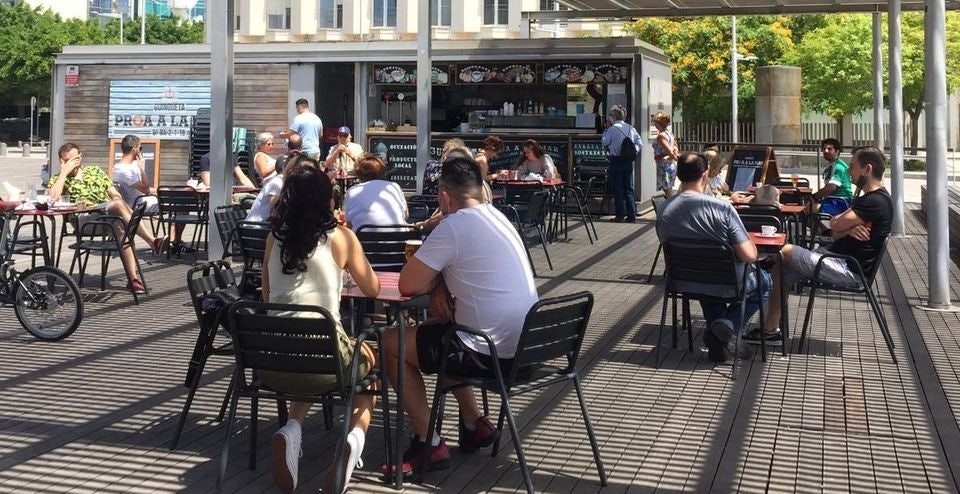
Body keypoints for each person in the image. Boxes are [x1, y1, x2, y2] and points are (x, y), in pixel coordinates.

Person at [381, 156, 538, 477]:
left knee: (388, 343)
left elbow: (407, 284)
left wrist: (434, 282)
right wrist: (440, 284)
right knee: (444, 331)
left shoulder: (455, 225)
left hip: (491, 354)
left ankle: (429, 442)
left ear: (442, 195)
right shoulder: (498, 216)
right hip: (529, 347)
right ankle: (473, 422)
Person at [262, 163, 380, 494]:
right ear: (326, 199)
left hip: (271, 360)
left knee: (310, 355)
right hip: (324, 354)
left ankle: (293, 428)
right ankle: (353, 439)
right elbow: (371, 289)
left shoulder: (274, 238)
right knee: (372, 364)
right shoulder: (341, 238)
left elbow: (268, 294)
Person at [749, 146, 892, 346]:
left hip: (847, 269)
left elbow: (835, 224)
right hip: (835, 259)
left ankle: (753, 267)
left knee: (783, 250)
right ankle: (770, 330)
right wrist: (847, 228)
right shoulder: (876, 199)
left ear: (867, 169)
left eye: (853, 166)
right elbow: (835, 231)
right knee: (782, 269)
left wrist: (841, 225)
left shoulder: (873, 202)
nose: (849, 171)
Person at [656, 152, 771, 362]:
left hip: (682, 281)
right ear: (705, 175)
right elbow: (748, 255)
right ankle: (726, 329)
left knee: (706, 282)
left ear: (679, 175)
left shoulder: (664, 209)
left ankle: (719, 327)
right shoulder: (721, 208)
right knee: (765, 282)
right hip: (727, 282)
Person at [48, 142, 167, 294]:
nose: (73, 163)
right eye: (68, 160)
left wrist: (116, 200)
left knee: (120, 226)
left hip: (106, 214)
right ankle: (152, 241)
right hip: (84, 219)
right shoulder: (58, 179)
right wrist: (64, 172)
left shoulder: (94, 171)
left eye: (75, 159)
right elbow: (51, 199)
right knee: (118, 207)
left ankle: (133, 280)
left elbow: (114, 193)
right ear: (62, 161)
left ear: (81, 157)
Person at [343, 154, 408, 230]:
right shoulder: (394, 186)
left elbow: (349, 223)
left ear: (359, 174)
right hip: (399, 239)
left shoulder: (352, 191)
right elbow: (405, 215)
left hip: (362, 240)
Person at [600, 106, 642, 222]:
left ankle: (620, 215)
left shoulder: (612, 129)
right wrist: (633, 150)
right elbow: (639, 142)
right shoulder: (630, 128)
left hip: (616, 160)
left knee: (617, 188)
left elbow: (604, 141)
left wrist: (606, 130)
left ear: (613, 117)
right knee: (629, 188)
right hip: (627, 160)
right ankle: (632, 215)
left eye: (610, 115)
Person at [814, 138, 854, 216]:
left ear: (837, 151)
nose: (825, 151)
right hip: (833, 200)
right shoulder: (833, 165)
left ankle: (823, 228)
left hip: (840, 202)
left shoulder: (838, 167)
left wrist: (814, 196)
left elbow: (830, 188)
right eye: (824, 149)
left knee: (810, 208)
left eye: (829, 149)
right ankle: (820, 227)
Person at [651, 111, 680, 198]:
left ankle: (672, 209)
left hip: (664, 166)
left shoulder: (661, 136)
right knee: (668, 189)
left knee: (668, 191)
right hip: (670, 165)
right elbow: (675, 147)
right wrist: (674, 155)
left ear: (657, 123)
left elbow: (670, 151)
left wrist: (671, 156)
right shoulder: (669, 133)